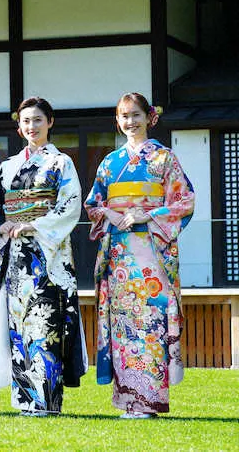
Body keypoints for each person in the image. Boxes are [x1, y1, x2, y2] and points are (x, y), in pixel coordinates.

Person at [85, 92, 194, 419]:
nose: (129, 122)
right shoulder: (110, 162)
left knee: (150, 324)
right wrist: (108, 213)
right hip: (119, 257)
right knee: (123, 326)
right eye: (123, 116)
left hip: (150, 256)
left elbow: (184, 202)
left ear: (149, 118)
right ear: (117, 121)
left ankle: (149, 400)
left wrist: (149, 214)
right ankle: (128, 399)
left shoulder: (165, 159)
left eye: (135, 115)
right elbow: (93, 204)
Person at [0, 96, 87, 416]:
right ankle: (25, 400)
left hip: (48, 254)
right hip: (17, 255)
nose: (32, 126)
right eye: (26, 121)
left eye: (38, 120)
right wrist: (6, 225)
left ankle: (46, 401)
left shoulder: (61, 163)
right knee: (19, 328)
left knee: (46, 326)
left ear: (50, 122)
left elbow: (70, 205)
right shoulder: (7, 167)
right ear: (19, 125)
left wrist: (34, 224)